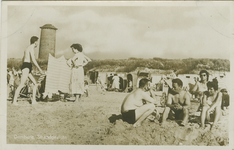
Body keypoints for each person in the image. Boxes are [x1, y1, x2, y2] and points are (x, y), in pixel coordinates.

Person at [12, 36, 44, 105]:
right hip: (27, 66)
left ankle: (33, 101)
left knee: (35, 84)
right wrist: (39, 69)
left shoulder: (27, 48)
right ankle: (14, 101)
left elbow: (23, 59)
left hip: (26, 66)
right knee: (21, 84)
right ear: (35, 42)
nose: (38, 44)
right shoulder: (31, 48)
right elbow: (33, 60)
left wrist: (22, 68)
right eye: (37, 42)